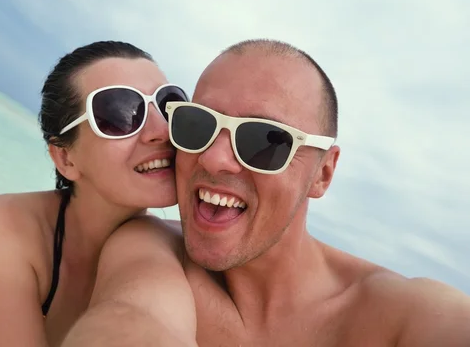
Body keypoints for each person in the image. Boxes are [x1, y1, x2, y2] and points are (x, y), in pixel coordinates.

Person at [63, 39, 470, 347]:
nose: (215, 159)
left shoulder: (408, 317)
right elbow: (133, 316)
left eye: (265, 140)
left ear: (322, 174)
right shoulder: (149, 247)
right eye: (197, 125)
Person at [0, 41, 189, 347]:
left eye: (168, 106)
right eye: (120, 114)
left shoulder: (182, 248)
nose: (161, 129)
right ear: (65, 158)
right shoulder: (7, 228)